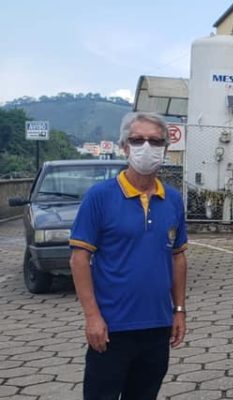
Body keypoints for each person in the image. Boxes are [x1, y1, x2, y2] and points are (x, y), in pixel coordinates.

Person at [69, 112, 188, 400]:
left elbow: (178, 257)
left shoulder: (172, 200)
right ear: (124, 147)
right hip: (111, 328)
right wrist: (92, 317)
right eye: (137, 140)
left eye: (155, 141)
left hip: (157, 327)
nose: (146, 147)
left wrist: (179, 310)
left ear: (165, 148)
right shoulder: (100, 197)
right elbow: (79, 259)